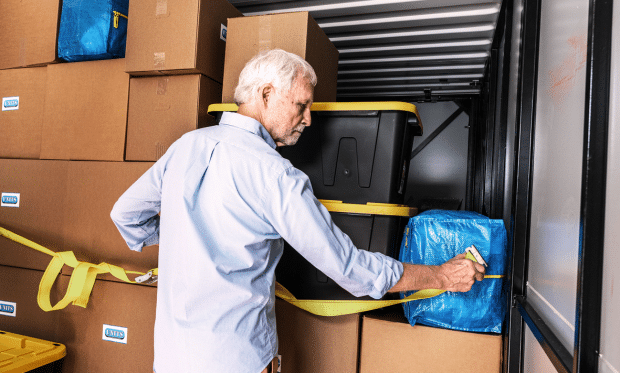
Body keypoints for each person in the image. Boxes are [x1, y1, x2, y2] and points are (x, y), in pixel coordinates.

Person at [110, 49, 485, 373]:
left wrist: (178, 235)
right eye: (301, 105)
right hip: (236, 361)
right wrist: (440, 277)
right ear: (266, 94)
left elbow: (125, 215)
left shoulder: (186, 146)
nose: (308, 119)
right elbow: (350, 270)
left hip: (171, 361)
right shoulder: (275, 174)